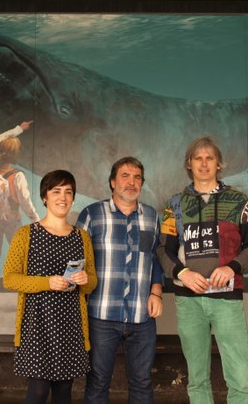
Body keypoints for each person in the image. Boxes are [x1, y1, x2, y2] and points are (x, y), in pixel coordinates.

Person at [157, 135, 248, 404]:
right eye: (197, 158)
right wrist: (181, 273)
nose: (203, 163)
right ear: (189, 164)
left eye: (209, 158)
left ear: (219, 164)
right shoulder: (173, 205)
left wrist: (233, 267)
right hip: (188, 301)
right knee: (197, 378)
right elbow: (163, 250)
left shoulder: (238, 201)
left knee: (239, 376)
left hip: (227, 299)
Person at [3, 170, 97, 404]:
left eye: (68, 192)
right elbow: (10, 278)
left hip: (71, 327)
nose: (63, 197)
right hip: (37, 327)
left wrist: (87, 281)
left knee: (64, 393)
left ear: (73, 198)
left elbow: (92, 281)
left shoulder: (82, 237)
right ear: (45, 197)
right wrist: (47, 282)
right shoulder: (26, 234)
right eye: (56, 191)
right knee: (37, 392)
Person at [76, 156, 164, 404]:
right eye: (125, 176)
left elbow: (155, 259)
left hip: (141, 316)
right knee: (98, 382)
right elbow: (76, 259)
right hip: (101, 315)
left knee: (142, 382)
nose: (131, 182)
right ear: (113, 182)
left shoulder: (151, 216)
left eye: (137, 177)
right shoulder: (92, 214)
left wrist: (156, 291)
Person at [0, 121, 40, 314]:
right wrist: (37, 221)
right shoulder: (18, 176)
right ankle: (29, 301)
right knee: (24, 259)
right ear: (16, 155)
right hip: (12, 221)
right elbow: (26, 202)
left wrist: (19, 129)